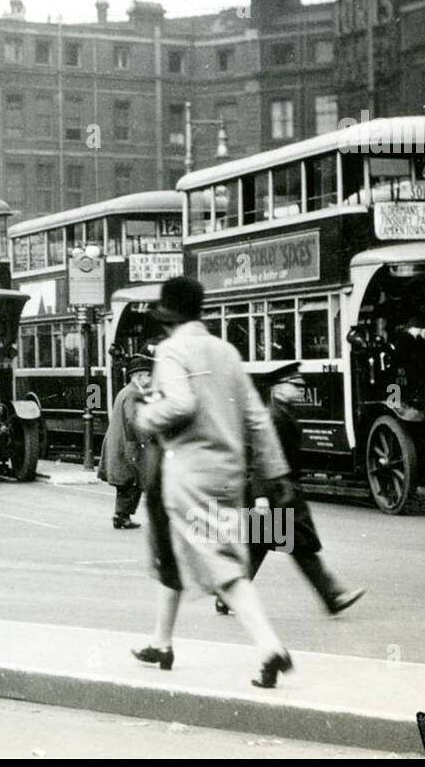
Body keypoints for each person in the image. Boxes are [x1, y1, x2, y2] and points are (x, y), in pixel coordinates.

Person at [134, 276, 296, 689]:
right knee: (169, 549)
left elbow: (180, 403)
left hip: (188, 472)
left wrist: (146, 417)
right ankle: (161, 642)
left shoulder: (172, 350)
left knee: (221, 564)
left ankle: (270, 647)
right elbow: (257, 419)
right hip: (228, 472)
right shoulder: (226, 351)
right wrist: (275, 472)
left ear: (166, 318)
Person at [215, 361, 365, 616]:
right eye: (295, 385)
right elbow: (263, 458)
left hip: (278, 492)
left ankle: (228, 596)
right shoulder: (274, 417)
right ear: (279, 389)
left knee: (262, 547)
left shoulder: (281, 413)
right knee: (299, 546)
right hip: (275, 493)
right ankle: (333, 597)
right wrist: (261, 497)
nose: (300, 389)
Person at [98, 354, 153, 530]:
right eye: (148, 375)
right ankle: (122, 516)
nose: (150, 379)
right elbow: (132, 419)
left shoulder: (127, 391)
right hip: (128, 445)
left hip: (122, 443)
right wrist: (145, 439)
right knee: (131, 481)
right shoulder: (132, 394)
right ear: (139, 377)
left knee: (127, 482)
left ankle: (122, 516)